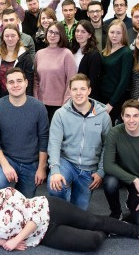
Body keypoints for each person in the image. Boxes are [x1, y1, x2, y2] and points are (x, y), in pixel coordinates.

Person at [0, 177, 139, 253]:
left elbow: (35, 218)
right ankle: (110, 230)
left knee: (94, 221)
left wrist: (16, 240)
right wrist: (3, 243)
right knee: (92, 241)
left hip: (50, 209)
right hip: (42, 236)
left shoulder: (7, 194)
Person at [47, 74, 112, 210]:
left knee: (79, 213)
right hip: (67, 162)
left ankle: (70, 206)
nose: (78, 93)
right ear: (69, 91)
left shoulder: (103, 116)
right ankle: (63, 208)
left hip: (89, 168)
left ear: (89, 90)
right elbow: (54, 143)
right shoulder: (60, 114)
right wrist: (55, 170)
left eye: (82, 89)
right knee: (55, 187)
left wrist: (101, 171)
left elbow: (108, 146)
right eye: (74, 89)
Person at [0, 68, 49, 197]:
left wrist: (41, 168)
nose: (15, 85)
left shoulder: (39, 107)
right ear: (6, 85)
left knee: (26, 202)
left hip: (31, 162)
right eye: (11, 82)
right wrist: (5, 165)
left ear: (26, 83)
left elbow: (44, 140)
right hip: (7, 159)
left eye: (19, 81)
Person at [102, 100, 139, 225]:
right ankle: (116, 212)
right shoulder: (114, 132)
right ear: (122, 117)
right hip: (120, 175)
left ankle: (131, 201)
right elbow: (108, 166)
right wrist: (135, 180)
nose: (131, 120)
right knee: (109, 182)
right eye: (127, 116)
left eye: (135, 116)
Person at [34, 20, 76, 122]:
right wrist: (35, 100)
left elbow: (71, 81)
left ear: (61, 35)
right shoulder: (39, 54)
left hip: (60, 105)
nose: (52, 35)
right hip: (40, 103)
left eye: (56, 33)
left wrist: (65, 104)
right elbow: (36, 79)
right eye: (50, 32)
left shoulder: (67, 54)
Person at [0, 26, 33, 107]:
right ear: (3, 38)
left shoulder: (25, 56)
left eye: (13, 36)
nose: (10, 39)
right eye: (7, 36)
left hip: (19, 98)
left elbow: (29, 81)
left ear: (18, 37)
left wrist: (28, 102)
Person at [98, 19, 133, 123]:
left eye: (118, 33)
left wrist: (112, 103)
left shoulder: (126, 52)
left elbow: (124, 81)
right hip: (101, 97)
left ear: (123, 34)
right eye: (112, 32)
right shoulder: (105, 51)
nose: (114, 35)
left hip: (114, 100)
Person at [71, 20, 102, 97]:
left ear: (89, 35)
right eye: (77, 31)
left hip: (85, 96)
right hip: (73, 92)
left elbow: (93, 82)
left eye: (83, 32)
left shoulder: (94, 54)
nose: (79, 34)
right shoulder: (73, 49)